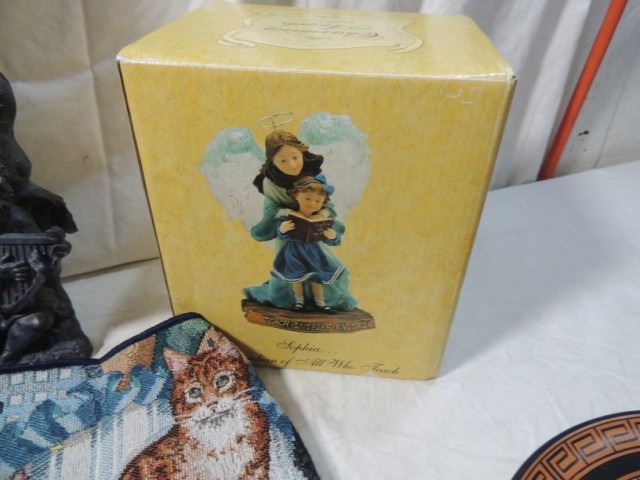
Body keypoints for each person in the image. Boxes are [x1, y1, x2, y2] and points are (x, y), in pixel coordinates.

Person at [244, 130, 356, 311]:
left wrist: (323, 214)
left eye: (295, 157)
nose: (292, 164)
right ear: (272, 162)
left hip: (313, 235)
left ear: (301, 152)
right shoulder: (271, 183)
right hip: (289, 236)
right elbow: (271, 210)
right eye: (283, 161)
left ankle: (321, 301)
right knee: (292, 270)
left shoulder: (315, 176)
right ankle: (296, 301)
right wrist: (286, 214)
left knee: (320, 267)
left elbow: (327, 203)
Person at [273, 176, 347, 313]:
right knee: (296, 278)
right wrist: (282, 229)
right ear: (296, 195)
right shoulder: (288, 215)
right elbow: (280, 234)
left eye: (318, 201)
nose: (312, 203)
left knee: (317, 277)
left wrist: (332, 236)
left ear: (323, 202)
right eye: (307, 198)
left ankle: (321, 303)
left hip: (313, 252)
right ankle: (299, 302)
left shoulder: (321, 219)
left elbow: (331, 241)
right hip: (293, 252)